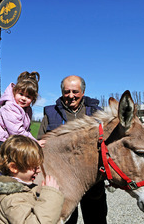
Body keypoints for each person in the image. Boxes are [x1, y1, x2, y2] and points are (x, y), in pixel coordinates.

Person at [37, 75, 107, 224]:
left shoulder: (97, 113)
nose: (71, 96)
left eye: (75, 91)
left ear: (82, 92)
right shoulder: (51, 113)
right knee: (67, 221)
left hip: (92, 183)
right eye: (67, 91)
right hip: (62, 182)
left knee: (96, 219)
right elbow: (40, 142)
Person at [0, 135, 64, 224]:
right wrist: (51, 196)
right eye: (34, 167)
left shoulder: (22, 190)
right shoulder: (12, 201)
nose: (38, 171)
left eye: (38, 166)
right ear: (14, 167)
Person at [0, 71, 45, 156]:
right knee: (14, 156)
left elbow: (25, 130)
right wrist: (34, 142)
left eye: (28, 97)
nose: (23, 98)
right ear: (14, 92)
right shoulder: (10, 107)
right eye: (21, 94)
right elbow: (17, 131)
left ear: (33, 99)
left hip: (4, 141)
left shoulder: (27, 111)